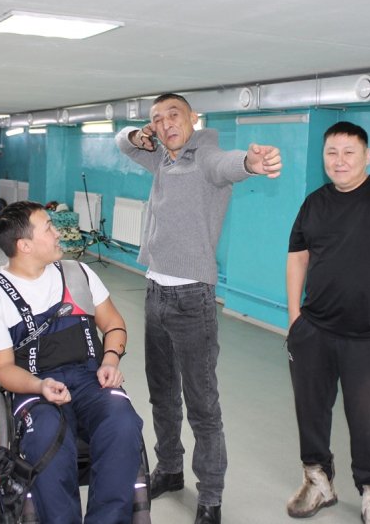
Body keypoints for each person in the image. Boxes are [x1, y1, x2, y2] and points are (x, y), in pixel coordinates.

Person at [115, 93, 283, 524]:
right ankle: (170, 469)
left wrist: (251, 162)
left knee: (202, 404)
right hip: (154, 292)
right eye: (157, 119)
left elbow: (227, 164)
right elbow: (122, 143)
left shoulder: (204, 156)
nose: (166, 123)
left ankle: (210, 495)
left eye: (174, 115)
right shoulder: (161, 159)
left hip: (192, 299)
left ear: (193, 118)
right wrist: (137, 134)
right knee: (162, 394)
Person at [285, 121, 370, 524]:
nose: (340, 160)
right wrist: (295, 318)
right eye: (332, 152)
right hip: (314, 329)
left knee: (367, 420)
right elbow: (298, 257)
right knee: (310, 411)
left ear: (367, 156)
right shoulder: (314, 203)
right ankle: (317, 481)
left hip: (368, 335)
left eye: (349, 152)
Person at [0, 201, 144, 524]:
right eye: (48, 228)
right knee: (47, 436)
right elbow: (3, 369)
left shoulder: (79, 274)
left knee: (123, 422)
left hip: (91, 379)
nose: (58, 233)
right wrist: (40, 386)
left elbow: (114, 323)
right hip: (35, 389)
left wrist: (110, 360)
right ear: (24, 245)